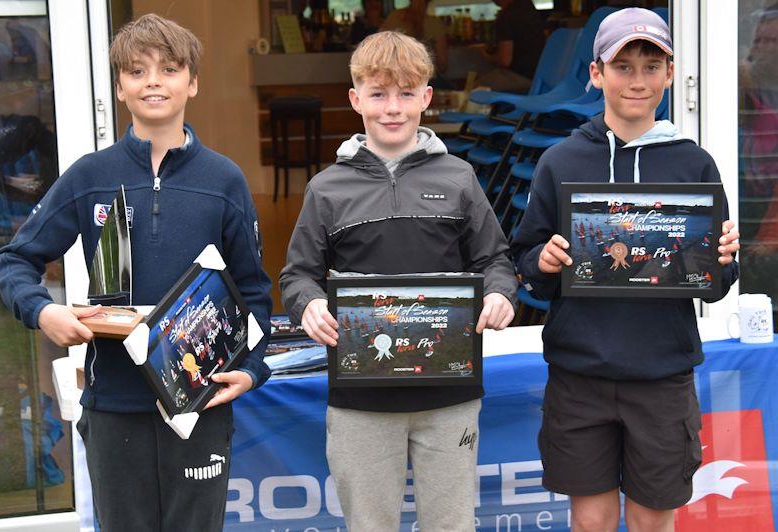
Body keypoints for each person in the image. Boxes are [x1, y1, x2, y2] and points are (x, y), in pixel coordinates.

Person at [0, 14, 271, 532]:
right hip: (114, 401)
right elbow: (13, 260)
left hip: (198, 404)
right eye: (137, 71)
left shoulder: (224, 180)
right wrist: (43, 310)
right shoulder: (91, 176)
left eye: (168, 69)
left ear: (193, 82)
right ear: (119, 88)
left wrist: (252, 368)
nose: (153, 81)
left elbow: (253, 291)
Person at [510, 8, 740, 532]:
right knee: (589, 520)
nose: (637, 80)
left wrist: (722, 261)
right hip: (579, 374)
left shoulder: (694, 164)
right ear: (597, 74)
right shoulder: (560, 161)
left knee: (650, 519)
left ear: (669, 73)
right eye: (623, 66)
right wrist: (542, 262)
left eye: (650, 66)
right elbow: (525, 262)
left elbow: (717, 282)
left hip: (661, 375)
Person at [279, 31, 518, 531]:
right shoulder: (326, 188)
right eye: (379, 94)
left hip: (449, 396)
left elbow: (495, 258)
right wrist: (308, 305)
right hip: (359, 401)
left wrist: (499, 293)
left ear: (426, 98)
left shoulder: (458, 178)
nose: (393, 108)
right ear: (355, 99)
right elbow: (298, 274)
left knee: (451, 525)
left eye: (406, 94)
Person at [475, 0, 545, 92]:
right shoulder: (528, 6)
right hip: (540, 76)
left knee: (475, 89)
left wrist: (486, 55)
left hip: (520, 76)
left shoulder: (507, 16)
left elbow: (505, 61)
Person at [382, 0, 448, 77]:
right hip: (424, 80)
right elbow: (443, 66)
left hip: (397, 79)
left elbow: (378, 51)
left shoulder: (394, 17)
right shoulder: (435, 24)